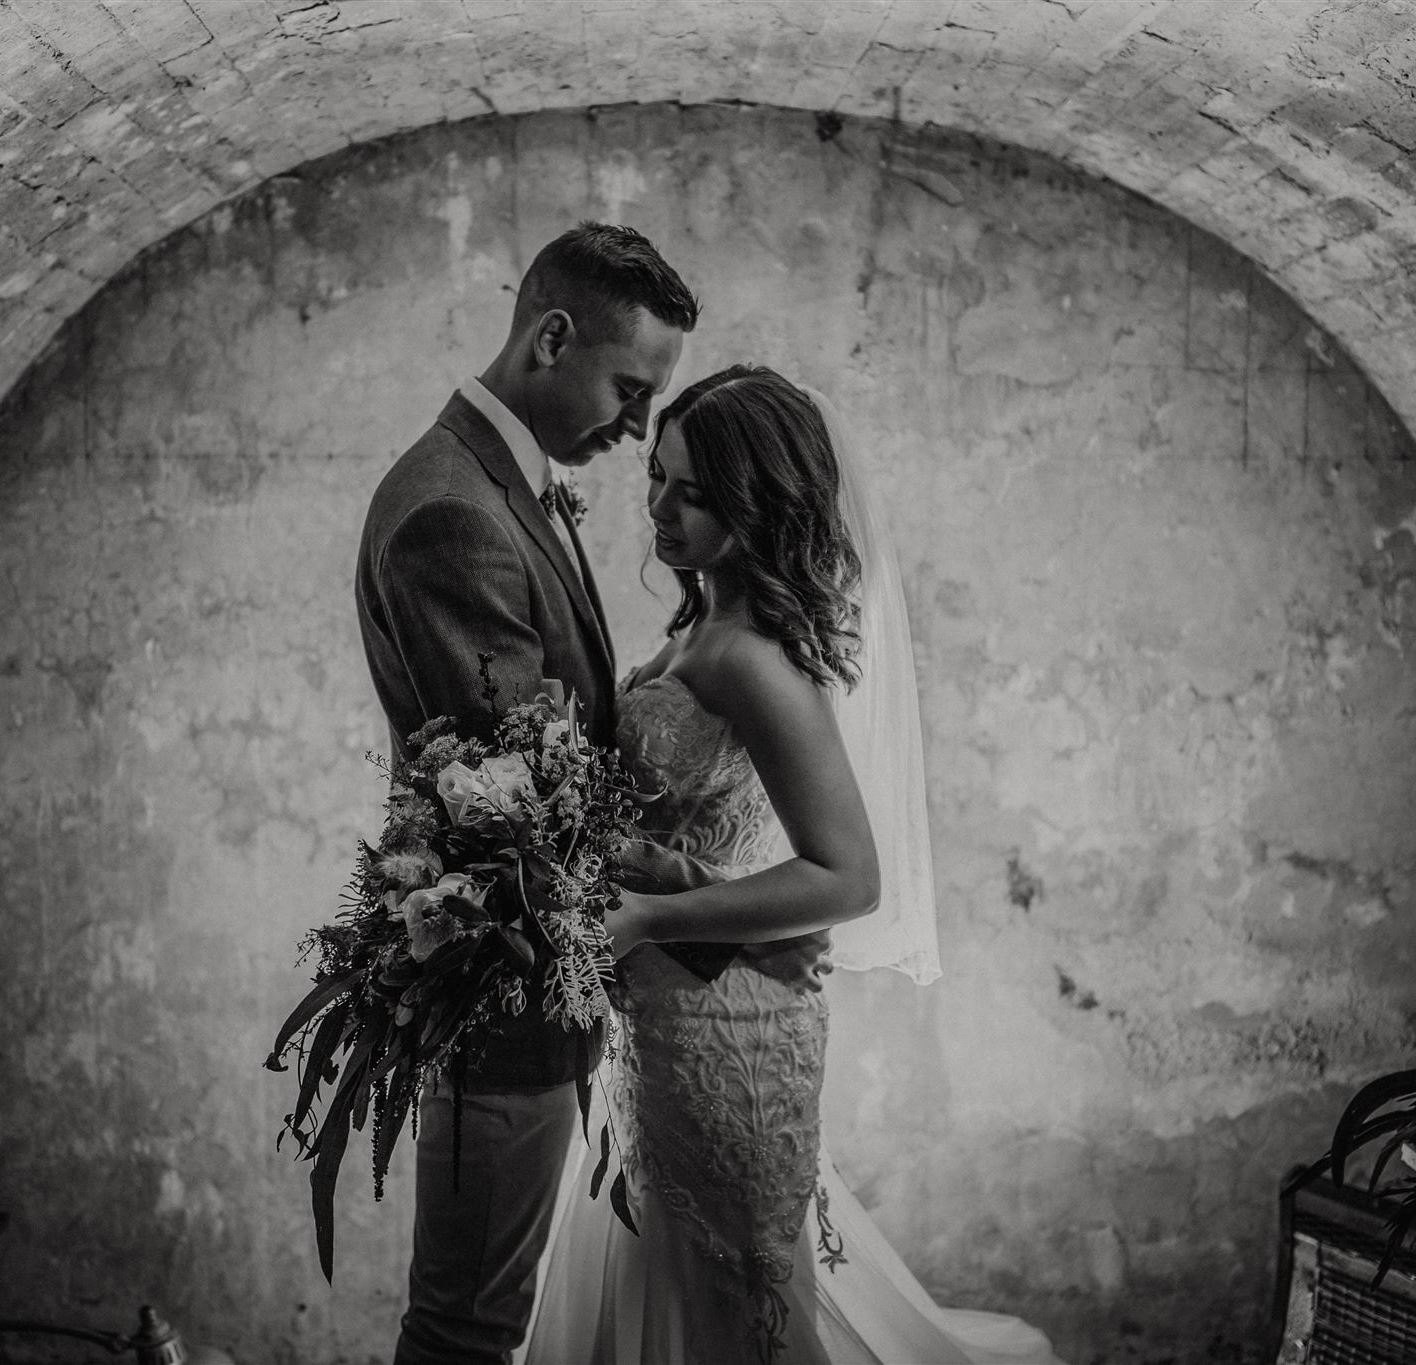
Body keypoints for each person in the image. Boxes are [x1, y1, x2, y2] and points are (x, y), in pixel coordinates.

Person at [522, 367, 1066, 1364]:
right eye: (655, 478)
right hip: (669, 1013)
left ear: (758, 502)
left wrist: (643, 918)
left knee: (728, 1293)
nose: (658, 507)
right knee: (674, 1268)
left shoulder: (749, 659)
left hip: (720, 1023)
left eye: (690, 491)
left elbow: (846, 877)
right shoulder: (701, 623)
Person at [355, 221, 698, 1365]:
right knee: (466, 1330)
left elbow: (554, 731)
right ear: (552, 337)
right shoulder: (455, 509)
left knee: (478, 1316)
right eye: (630, 388)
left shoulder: (502, 482)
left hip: (529, 981)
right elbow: (526, 791)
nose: (638, 425)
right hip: (498, 994)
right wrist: (694, 889)